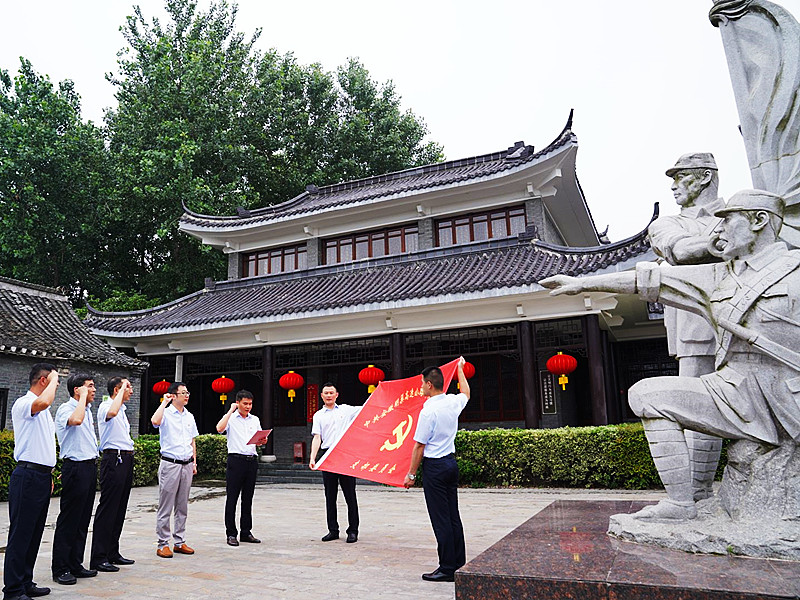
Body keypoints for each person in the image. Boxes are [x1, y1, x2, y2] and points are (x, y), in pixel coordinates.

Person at [541, 189, 800, 520]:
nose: (718, 229)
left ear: (759, 220)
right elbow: (651, 279)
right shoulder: (719, 274)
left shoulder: (795, 271)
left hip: (787, 391)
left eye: (728, 220)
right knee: (647, 395)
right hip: (737, 389)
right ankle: (680, 504)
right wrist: (583, 284)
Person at [648, 152, 725, 501]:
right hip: (697, 326)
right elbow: (677, 250)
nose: (674, 186)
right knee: (699, 405)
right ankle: (697, 491)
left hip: (751, 320)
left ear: (705, 177)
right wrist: (724, 242)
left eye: (681, 177)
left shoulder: (736, 214)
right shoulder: (669, 223)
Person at [403, 358, 470, 583]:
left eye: (422, 383)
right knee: (453, 516)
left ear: (429, 385)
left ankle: (447, 568)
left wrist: (411, 474)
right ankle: (458, 562)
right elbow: (466, 393)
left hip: (435, 468)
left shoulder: (428, 411)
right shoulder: (452, 402)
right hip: (450, 464)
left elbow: (419, 446)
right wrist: (460, 370)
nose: (421, 387)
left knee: (441, 519)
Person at [3, 363, 59, 600]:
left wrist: (49, 474)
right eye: (54, 380)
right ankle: (13, 590)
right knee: (21, 534)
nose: (56, 385)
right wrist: (55, 378)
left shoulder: (44, 410)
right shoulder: (24, 403)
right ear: (44, 380)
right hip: (27, 475)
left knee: (34, 533)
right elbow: (43, 402)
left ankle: (25, 581)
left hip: (41, 476)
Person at [51, 373, 100, 585]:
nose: (94, 390)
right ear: (77, 389)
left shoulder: (87, 410)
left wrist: (83, 401)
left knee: (82, 519)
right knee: (69, 519)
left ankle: (75, 564)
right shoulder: (66, 409)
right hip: (75, 468)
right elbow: (75, 421)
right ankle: (60, 568)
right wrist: (82, 399)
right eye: (90, 386)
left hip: (89, 466)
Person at [90, 377, 136, 571]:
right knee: (109, 508)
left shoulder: (122, 410)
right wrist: (121, 390)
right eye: (127, 387)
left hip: (125, 459)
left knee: (119, 508)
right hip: (113, 459)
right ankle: (99, 556)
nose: (131, 391)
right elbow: (112, 412)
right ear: (117, 390)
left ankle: (112, 552)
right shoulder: (106, 406)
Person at [151, 381, 198, 558]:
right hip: (170, 464)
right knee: (166, 505)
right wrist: (164, 402)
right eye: (183, 393)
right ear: (173, 395)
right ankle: (163, 543)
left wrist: (194, 462)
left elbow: (192, 441)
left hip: (187, 464)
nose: (187, 395)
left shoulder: (189, 416)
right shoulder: (165, 413)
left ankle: (179, 541)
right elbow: (154, 421)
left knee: (182, 505)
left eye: (188, 392)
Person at [309, 383, 361, 543]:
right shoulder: (318, 415)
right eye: (326, 393)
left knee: (350, 495)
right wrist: (312, 458)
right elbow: (317, 437)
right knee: (330, 496)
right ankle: (333, 530)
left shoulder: (346, 410)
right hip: (328, 456)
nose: (329, 395)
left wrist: (379, 392)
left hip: (345, 455)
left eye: (331, 392)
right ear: (321, 396)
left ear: (337, 394)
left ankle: (353, 531)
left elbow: (367, 408)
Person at [216, 389, 262, 547]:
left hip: (251, 461)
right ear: (238, 403)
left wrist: (262, 441)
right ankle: (231, 533)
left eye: (250, 404)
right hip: (236, 461)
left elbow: (258, 438)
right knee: (232, 498)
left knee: (247, 499)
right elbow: (219, 428)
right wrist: (230, 411)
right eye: (245, 404)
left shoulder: (254, 419)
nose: (248, 407)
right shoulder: (231, 418)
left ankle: (246, 532)